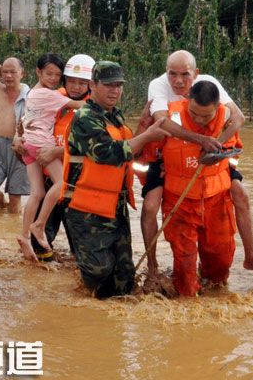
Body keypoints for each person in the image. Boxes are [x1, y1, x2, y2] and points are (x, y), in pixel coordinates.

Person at [140, 50, 253, 279]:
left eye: (185, 74)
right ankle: (152, 265)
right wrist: (200, 140)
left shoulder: (208, 84)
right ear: (166, 71)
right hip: (168, 154)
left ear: (196, 73)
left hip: (208, 153)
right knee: (150, 206)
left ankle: (252, 257)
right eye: (172, 74)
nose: (178, 81)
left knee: (241, 194)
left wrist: (215, 146)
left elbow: (238, 117)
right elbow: (161, 121)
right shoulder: (158, 85)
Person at [64, 61, 170, 298]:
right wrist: (149, 135)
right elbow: (108, 153)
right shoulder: (84, 117)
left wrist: (143, 127)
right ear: (93, 85)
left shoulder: (115, 117)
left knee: (124, 280)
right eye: (109, 85)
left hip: (116, 207)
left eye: (119, 85)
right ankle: (83, 284)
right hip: (86, 208)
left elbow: (131, 150)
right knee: (99, 270)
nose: (115, 90)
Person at [156, 80, 239, 296]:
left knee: (221, 263)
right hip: (179, 201)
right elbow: (149, 157)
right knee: (185, 268)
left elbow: (235, 154)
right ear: (187, 102)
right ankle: (188, 306)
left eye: (206, 116)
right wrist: (152, 191)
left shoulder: (227, 120)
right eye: (194, 114)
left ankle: (212, 292)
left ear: (217, 107)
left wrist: (220, 152)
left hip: (217, 199)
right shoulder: (170, 118)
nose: (200, 120)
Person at [19, 53, 95, 261]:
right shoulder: (54, 95)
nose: (76, 87)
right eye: (71, 81)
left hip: (79, 185)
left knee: (81, 251)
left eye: (82, 83)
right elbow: (27, 121)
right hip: (49, 175)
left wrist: (56, 152)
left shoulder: (97, 109)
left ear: (92, 84)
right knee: (40, 251)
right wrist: (18, 140)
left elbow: (96, 147)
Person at [0, 57, 31, 213]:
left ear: (22, 73)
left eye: (13, 72)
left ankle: (11, 232)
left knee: (16, 198)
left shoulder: (29, 95)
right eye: (5, 72)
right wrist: (2, 71)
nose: (9, 76)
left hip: (20, 147)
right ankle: (3, 205)